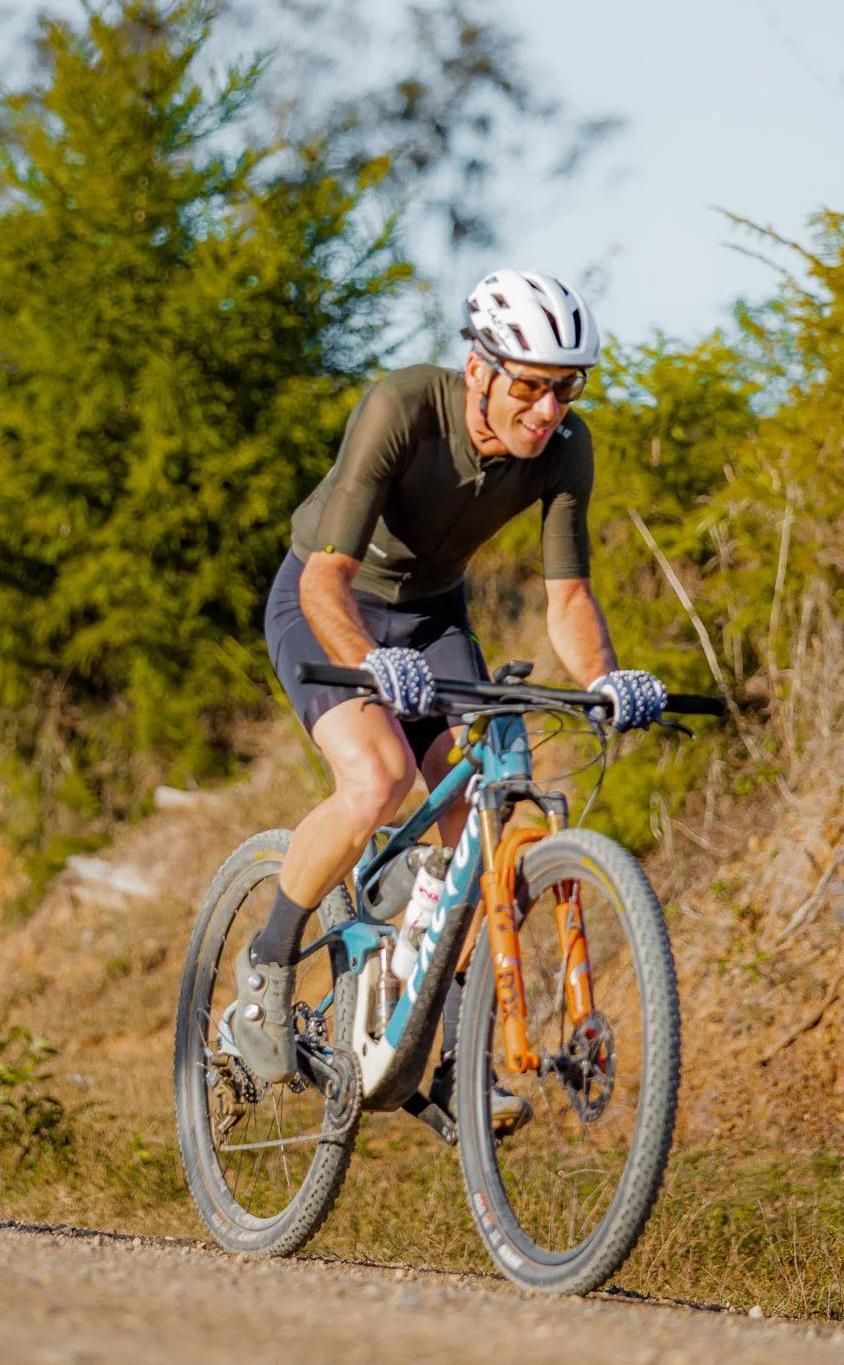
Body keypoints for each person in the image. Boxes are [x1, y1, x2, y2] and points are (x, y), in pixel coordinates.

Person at [236, 268, 668, 1129]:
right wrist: (365, 658)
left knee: (484, 822)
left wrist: (603, 682)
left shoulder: (565, 450)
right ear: (479, 370)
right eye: (530, 387)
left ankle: (449, 1056)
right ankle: (268, 963)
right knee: (377, 779)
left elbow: (568, 599)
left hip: (431, 617)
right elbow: (327, 576)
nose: (547, 411)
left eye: (565, 390)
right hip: (325, 602)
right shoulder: (403, 408)